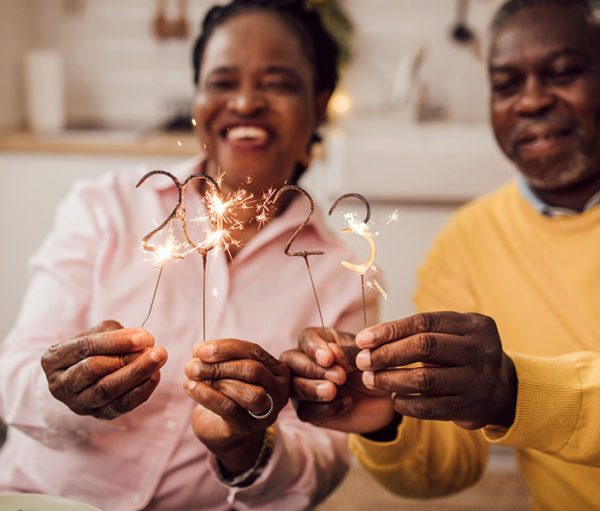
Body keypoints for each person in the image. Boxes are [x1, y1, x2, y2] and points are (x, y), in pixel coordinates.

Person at [0, 1, 377, 509]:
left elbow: (323, 462)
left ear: (319, 103)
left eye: (278, 83)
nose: (245, 102)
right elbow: (13, 376)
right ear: (198, 98)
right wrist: (63, 390)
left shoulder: (338, 276)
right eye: (222, 81)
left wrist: (248, 447)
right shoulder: (104, 207)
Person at [282, 0, 600, 509]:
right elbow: (451, 462)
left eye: (563, 73)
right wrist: (388, 419)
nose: (532, 101)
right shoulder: (468, 242)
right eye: (506, 84)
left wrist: (517, 391)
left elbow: (514, 395)